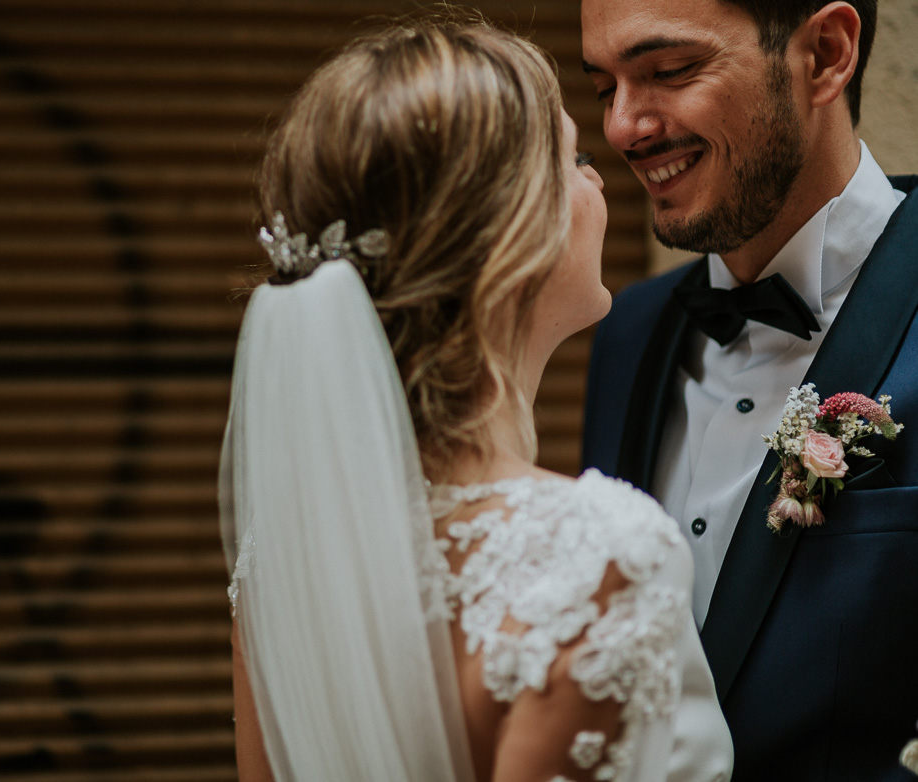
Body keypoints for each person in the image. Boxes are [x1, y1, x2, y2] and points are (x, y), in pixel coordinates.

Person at [220, 15, 733, 782]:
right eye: (572, 158)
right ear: (505, 237)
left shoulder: (285, 558)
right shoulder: (598, 552)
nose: (599, 180)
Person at [579, 0, 918, 779]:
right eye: (604, 88)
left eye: (668, 71)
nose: (625, 128)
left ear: (825, 54)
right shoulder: (623, 332)